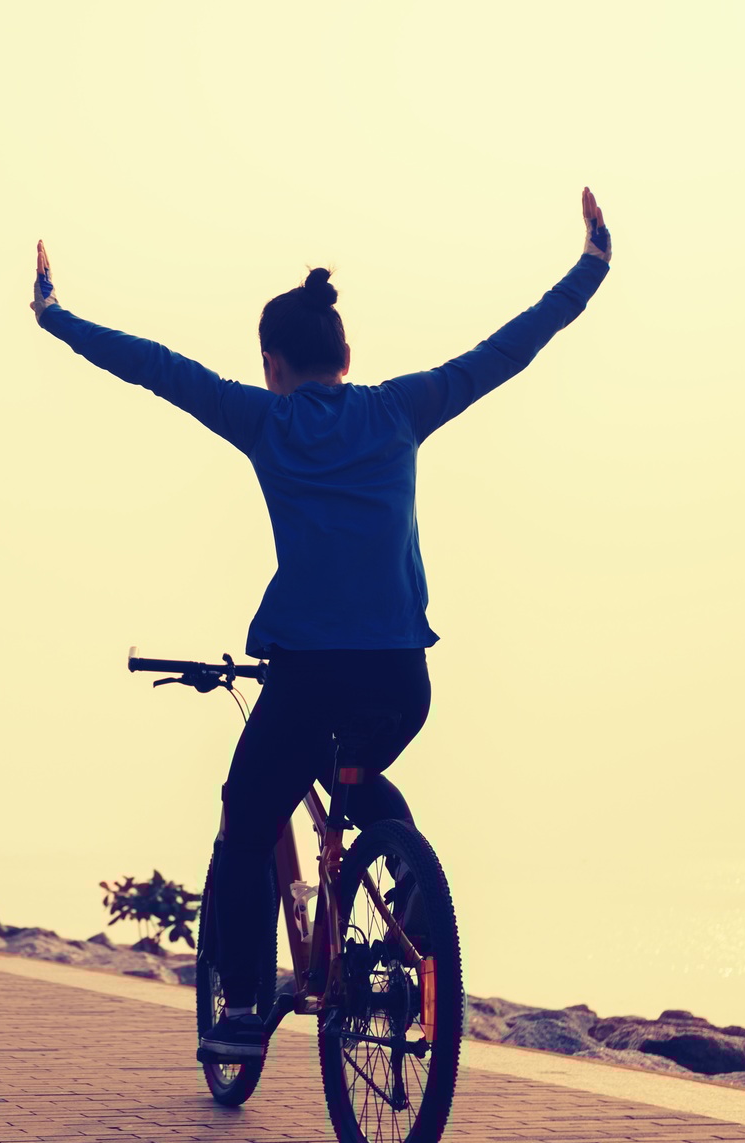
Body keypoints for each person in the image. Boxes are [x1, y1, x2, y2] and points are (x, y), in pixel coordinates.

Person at [33, 190, 613, 1062]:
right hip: (400, 678)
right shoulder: (401, 409)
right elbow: (511, 348)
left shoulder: (264, 421)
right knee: (356, 777)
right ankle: (407, 880)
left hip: (308, 674)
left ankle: (236, 1009)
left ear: (272, 363)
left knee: (246, 819)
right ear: (349, 354)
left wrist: (54, 316)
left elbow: (153, 366)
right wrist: (591, 265)